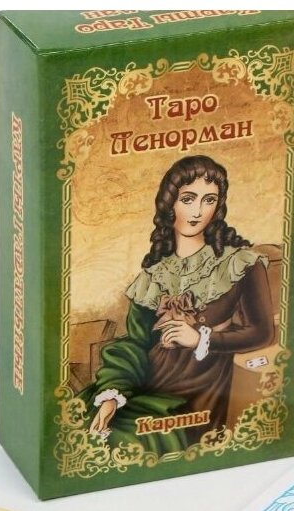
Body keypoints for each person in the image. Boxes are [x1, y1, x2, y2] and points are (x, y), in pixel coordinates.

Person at [83, 155, 274, 454]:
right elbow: (135, 344)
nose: (197, 211)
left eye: (209, 200)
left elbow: (262, 333)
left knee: (124, 442)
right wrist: (112, 394)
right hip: (145, 387)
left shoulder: (239, 263)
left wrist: (200, 339)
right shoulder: (153, 275)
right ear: (169, 203)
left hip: (193, 400)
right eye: (188, 199)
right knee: (86, 427)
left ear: (218, 207)